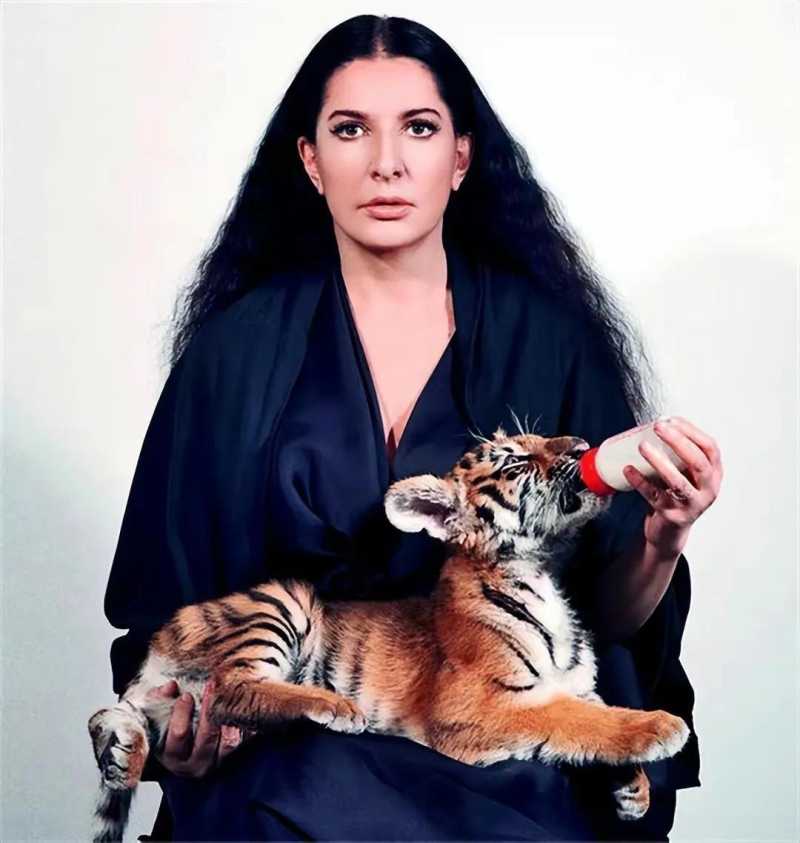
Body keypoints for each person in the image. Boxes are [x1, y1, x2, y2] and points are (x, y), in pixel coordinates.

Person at [103, 14, 722, 842]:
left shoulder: (550, 342)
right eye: (350, 129)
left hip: (500, 749)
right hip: (288, 743)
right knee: (289, 793)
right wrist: (183, 733)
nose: (386, 162)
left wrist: (663, 538)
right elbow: (166, 610)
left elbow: (606, 619)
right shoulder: (233, 354)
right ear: (310, 160)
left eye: (420, 128)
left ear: (460, 158)